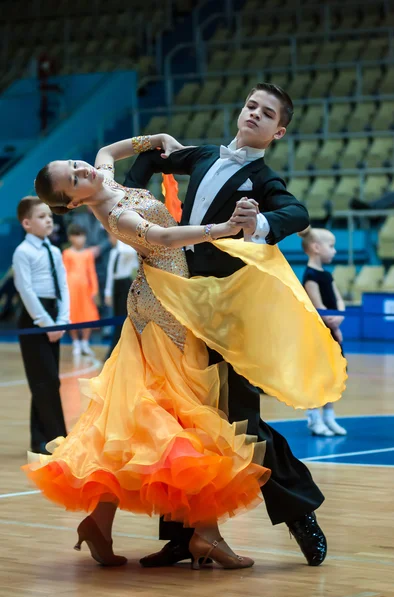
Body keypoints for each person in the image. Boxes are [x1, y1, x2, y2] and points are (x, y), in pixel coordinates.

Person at [24, 134, 346, 570]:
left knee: (163, 418)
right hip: (168, 311)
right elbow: (163, 235)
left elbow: (113, 153)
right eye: (74, 178)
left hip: (203, 304)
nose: (81, 169)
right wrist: (227, 228)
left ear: (277, 130)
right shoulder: (115, 212)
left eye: (73, 163)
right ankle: (199, 536)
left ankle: (114, 524)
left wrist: (152, 139)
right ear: (75, 203)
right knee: (186, 416)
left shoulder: (104, 173)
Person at [124, 83, 340, 567]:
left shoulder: (263, 180)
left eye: (267, 114)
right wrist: (136, 201)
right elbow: (156, 160)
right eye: (251, 106)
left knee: (243, 423)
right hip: (177, 304)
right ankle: (183, 536)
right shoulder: (202, 155)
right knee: (182, 420)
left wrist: (256, 224)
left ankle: (298, 512)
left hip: (227, 315)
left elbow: (297, 212)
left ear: (278, 131)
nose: (255, 115)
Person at [13, 196, 69, 454]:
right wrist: (45, 323)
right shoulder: (23, 252)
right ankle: (59, 437)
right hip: (35, 318)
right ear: (27, 223)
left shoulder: (54, 250)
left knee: (47, 379)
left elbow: (63, 287)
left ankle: (39, 439)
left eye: (49, 215)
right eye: (41, 216)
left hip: (54, 315)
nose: (48, 220)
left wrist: (63, 319)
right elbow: (25, 290)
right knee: (44, 380)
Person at [299, 227, 348, 437]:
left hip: (332, 334)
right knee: (317, 378)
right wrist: (334, 325)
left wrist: (338, 318)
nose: (335, 251)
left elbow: (339, 302)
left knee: (332, 376)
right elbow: (320, 308)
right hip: (318, 336)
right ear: (316, 248)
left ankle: (329, 416)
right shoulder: (310, 276)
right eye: (331, 246)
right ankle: (314, 418)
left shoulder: (327, 275)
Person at [63, 223, 99, 357]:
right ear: (70, 238)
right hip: (71, 289)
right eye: (77, 236)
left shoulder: (88, 254)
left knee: (88, 315)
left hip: (85, 289)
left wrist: (95, 290)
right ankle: (75, 342)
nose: (80, 239)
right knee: (73, 315)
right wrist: (64, 290)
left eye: (82, 236)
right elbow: (64, 272)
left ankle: (85, 341)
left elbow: (92, 273)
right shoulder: (67, 253)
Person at [104, 234, 139, 357]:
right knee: (117, 317)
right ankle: (115, 350)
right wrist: (107, 293)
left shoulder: (126, 250)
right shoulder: (114, 253)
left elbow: (129, 252)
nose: (110, 239)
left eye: (112, 237)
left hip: (126, 284)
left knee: (126, 317)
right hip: (116, 286)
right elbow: (110, 274)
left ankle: (126, 350)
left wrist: (121, 239)